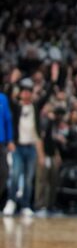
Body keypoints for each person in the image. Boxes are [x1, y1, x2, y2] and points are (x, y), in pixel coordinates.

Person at [5, 79, 44, 217]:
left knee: (28, 178)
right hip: (18, 147)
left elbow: (46, 95)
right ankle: (11, 201)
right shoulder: (16, 107)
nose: (26, 94)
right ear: (20, 93)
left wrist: (52, 79)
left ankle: (26, 205)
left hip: (31, 147)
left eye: (29, 92)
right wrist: (13, 82)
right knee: (15, 175)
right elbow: (8, 96)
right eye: (24, 92)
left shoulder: (35, 107)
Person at [0, 89, 15, 215]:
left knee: (4, 172)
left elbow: (8, 119)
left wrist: (10, 139)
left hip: (2, 142)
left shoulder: (3, 98)